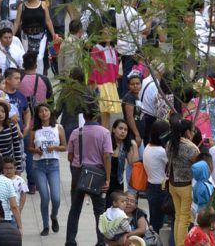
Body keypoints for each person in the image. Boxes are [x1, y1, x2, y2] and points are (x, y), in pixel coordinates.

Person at [65, 102, 113, 246]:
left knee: (75, 209)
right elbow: (107, 156)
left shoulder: (76, 132)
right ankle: (100, 242)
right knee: (99, 210)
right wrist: (108, 178)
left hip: (79, 172)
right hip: (97, 173)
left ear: (83, 116)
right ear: (97, 115)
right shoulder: (104, 132)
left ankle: (70, 241)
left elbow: (70, 157)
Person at [28, 103, 66, 236]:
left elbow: (64, 146)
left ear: (50, 112)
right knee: (45, 196)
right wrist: (35, 150)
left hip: (53, 165)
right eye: (41, 112)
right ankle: (45, 226)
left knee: (56, 198)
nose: (44, 113)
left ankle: (53, 216)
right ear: (37, 115)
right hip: (39, 165)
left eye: (46, 110)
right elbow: (30, 148)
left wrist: (54, 147)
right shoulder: (34, 130)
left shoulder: (58, 127)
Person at [167, 119, 200, 246]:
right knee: (184, 218)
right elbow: (198, 164)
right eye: (193, 131)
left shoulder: (170, 143)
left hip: (173, 184)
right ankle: (181, 244)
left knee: (178, 217)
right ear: (187, 132)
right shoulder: (190, 147)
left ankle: (178, 242)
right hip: (186, 186)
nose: (194, 133)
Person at [142, 120, 170, 231]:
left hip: (151, 186)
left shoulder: (148, 147)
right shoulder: (161, 152)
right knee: (159, 222)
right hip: (160, 188)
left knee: (154, 219)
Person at [107, 119, 139, 195]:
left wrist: (135, 146)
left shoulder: (125, 146)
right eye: (120, 128)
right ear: (114, 129)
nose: (123, 132)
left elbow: (133, 163)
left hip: (119, 181)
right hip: (106, 181)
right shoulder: (107, 143)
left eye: (125, 130)